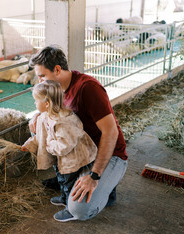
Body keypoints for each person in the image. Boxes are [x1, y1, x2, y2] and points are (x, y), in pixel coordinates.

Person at [28, 45, 128, 222]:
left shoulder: (88, 88)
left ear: (57, 70)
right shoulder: (55, 90)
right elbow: (53, 112)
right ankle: (71, 181)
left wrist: (95, 175)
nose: (40, 82)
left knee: (79, 210)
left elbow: (110, 132)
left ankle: (106, 187)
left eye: (42, 76)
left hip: (109, 154)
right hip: (80, 151)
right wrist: (39, 116)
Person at [21, 80, 98, 217]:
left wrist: (49, 144)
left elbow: (63, 146)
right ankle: (63, 197)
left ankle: (70, 208)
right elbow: (41, 136)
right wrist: (29, 145)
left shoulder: (64, 122)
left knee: (69, 181)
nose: (34, 103)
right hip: (61, 158)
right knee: (61, 177)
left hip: (73, 159)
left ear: (47, 103)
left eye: (36, 100)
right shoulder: (46, 116)